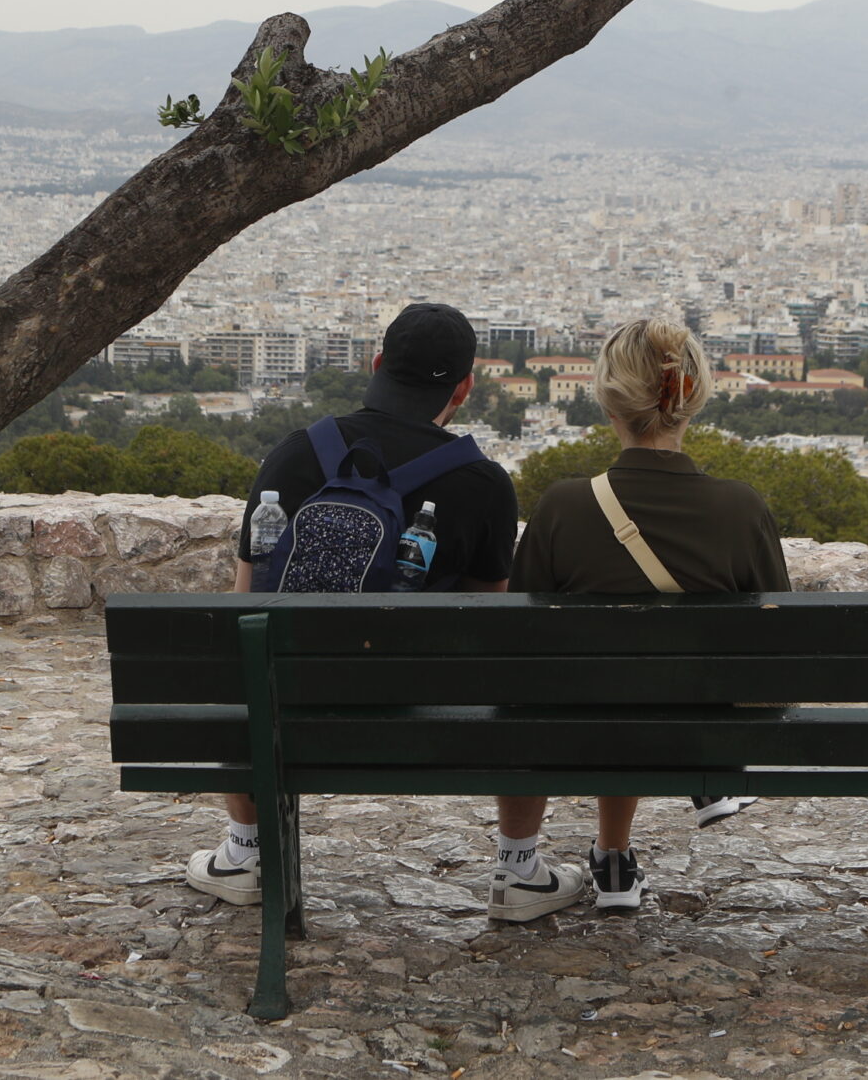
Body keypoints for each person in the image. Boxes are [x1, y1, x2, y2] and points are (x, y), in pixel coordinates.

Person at [184, 302, 520, 906]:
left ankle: (244, 851)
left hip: (291, 706)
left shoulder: (293, 454)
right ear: (465, 387)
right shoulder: (484, 484)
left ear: (376, 364)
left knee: (241, 667)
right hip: (423, 721)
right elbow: (486, 626)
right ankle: (519, 862)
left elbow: (246, 602)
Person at [498, 317, 791, 917]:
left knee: (610, 684)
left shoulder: (563, 507)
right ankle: (616, 850)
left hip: (577, 734)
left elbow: (515, 649)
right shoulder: (742, 510)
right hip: (695, 739)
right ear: (695, 398)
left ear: (609, 402)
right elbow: (779, 653)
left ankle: (606, 854)